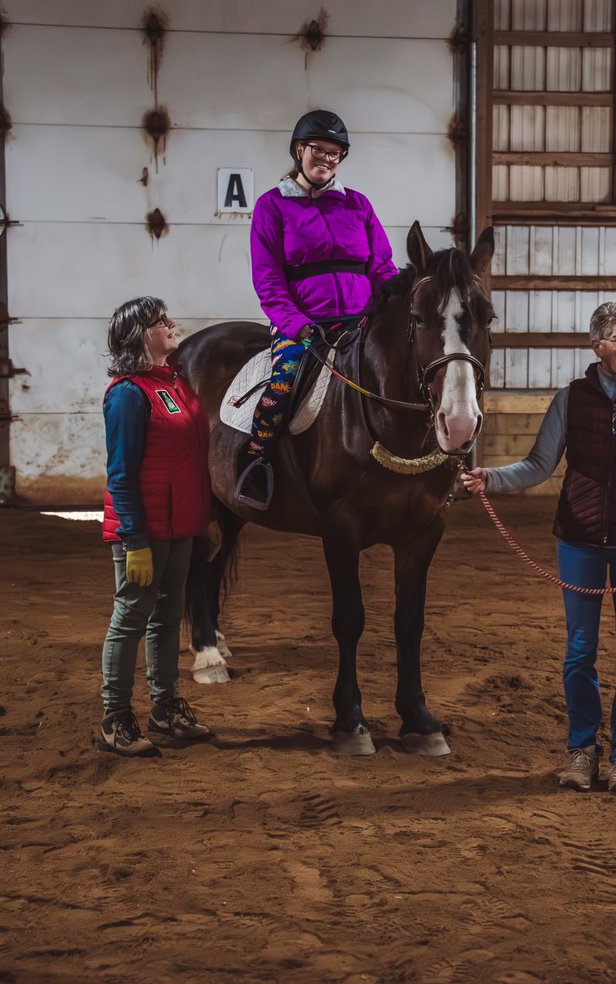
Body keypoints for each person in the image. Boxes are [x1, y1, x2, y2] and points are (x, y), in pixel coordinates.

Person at [461, 302, 616, 795]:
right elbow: (539, 464)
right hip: (580, 540)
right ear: (597, 345)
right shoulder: (570, 401)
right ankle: (582, 750)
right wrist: (491, 478)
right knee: (579, 652)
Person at [235, 109, 397, 509]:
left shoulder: (358, 205)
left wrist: (391, 311)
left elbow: (382, 267)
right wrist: (298, 326)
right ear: (298, 150)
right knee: (281, 387)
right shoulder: (271, 207)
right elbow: (268, 280)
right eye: (318, 150)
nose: (326, 159)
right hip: (305, 327)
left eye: (335, 153)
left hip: (360, 323)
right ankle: (257, 463)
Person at [100, 296, 220, 757]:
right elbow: (122, 473)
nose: (171, 324)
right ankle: (115, 718)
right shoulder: (128, 394)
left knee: (168, 618)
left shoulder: (176, 384)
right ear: (139, 335)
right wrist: (133, 540)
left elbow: (194, 462)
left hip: (180, 525)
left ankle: (165, 706)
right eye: (160, 321)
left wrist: (205, 518)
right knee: (130, 618)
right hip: (145, 530)